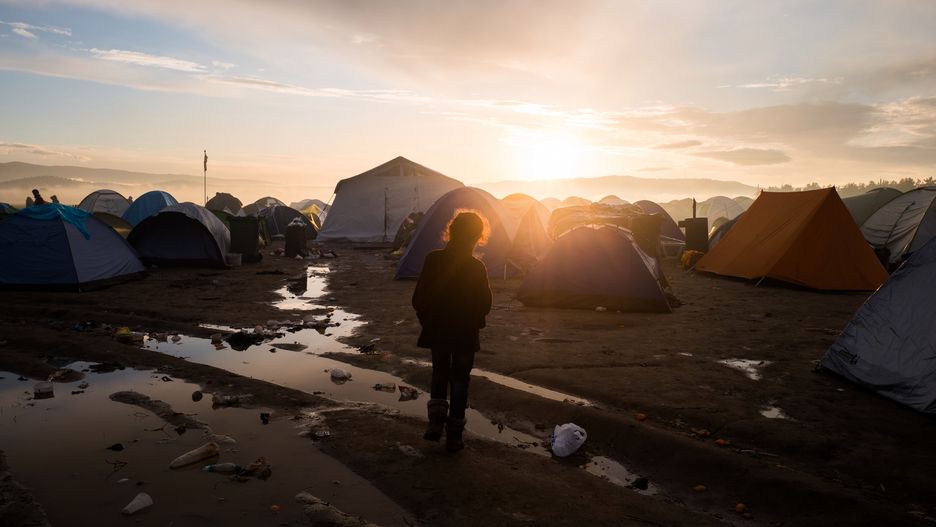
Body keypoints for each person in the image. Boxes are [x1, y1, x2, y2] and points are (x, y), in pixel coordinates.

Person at [412, 211, 492, 452]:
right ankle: (455, 436)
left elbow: (419, 297)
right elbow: (484, 303)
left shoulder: (433, 259)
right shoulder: (477, 267)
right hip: (465, 333)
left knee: (440, 374)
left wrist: (427, 320)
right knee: (460, 381)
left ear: (452, 230)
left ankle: (435, 425)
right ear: (478, 237)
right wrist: (476, 321)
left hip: (438, 329)